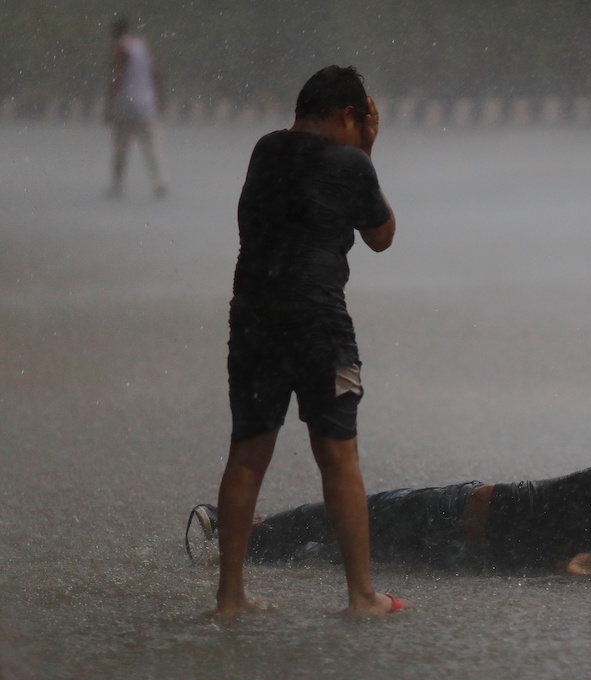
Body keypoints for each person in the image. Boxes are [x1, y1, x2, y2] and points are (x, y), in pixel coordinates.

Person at [213, 65, 403, 617]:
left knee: (247, 455)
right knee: (338, 456)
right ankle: (362, 595)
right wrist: (367, 150)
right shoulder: (349, 161)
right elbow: (382, 238)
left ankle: (229, 599)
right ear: (349, 115)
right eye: (360, 121)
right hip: (321, 325)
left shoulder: (264, 150)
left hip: (252, 318)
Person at [188, 444, 591, 576]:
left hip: (465, 555)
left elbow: (589, 563)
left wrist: (571, 567)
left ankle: (248, 548)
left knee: (336, 554)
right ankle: (234, 524)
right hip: (453, 510)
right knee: (341, 517)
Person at [104, 16, 168, 198]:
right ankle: (160, 182)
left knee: (121, 148)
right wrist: (160, 98)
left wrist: (108, 105)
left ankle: (117, 184)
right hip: (146, 104)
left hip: (126, 104)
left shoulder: (119, 47)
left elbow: (117, 77)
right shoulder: (143, 46)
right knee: (152, 147)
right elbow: (157, 72)